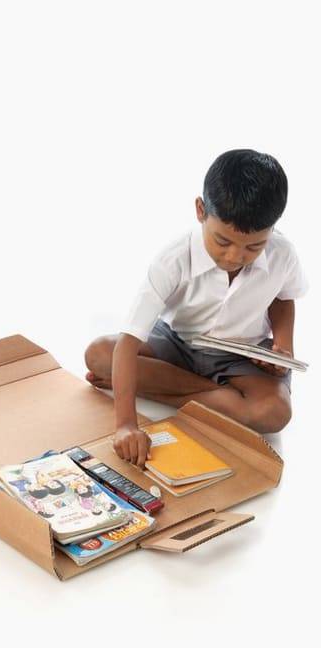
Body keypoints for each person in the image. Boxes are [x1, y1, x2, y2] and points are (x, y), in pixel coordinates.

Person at [84, 149, 306, 466]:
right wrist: (125, 425)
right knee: (100, 353)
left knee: (274, 414)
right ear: (201, 210)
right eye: (223, 241)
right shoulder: (173, 259)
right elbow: (129, 341)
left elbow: (285, 297)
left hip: (242, 354)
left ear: (272, 228)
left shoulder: (283, 252)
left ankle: (154, 389)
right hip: (176, 343)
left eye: (253, 247)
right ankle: (224, 399)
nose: (234, 257)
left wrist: (283, 345)